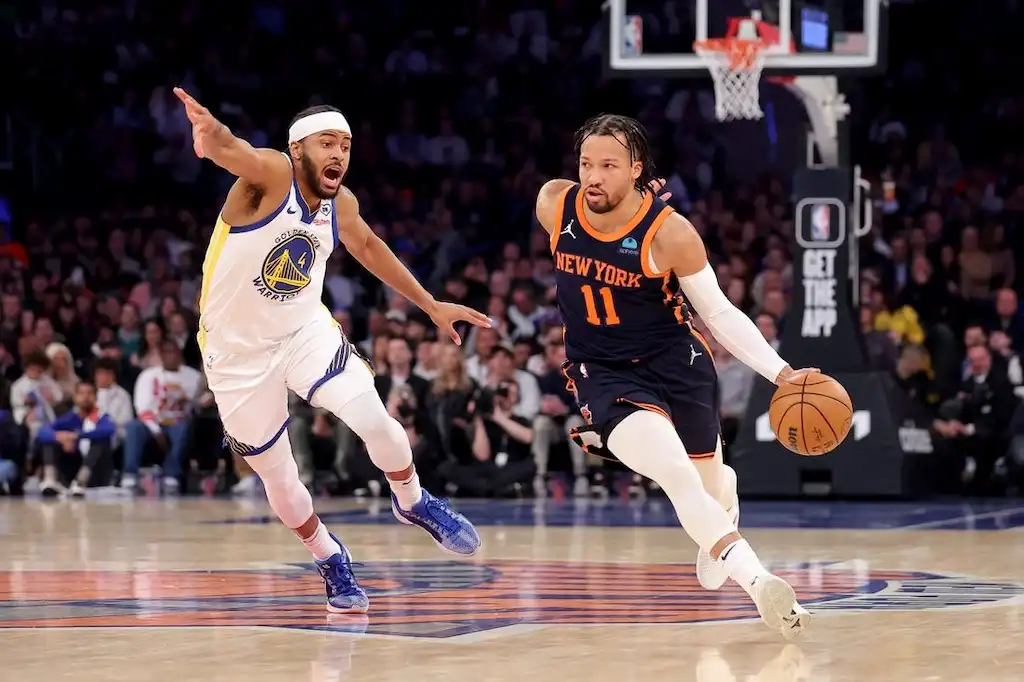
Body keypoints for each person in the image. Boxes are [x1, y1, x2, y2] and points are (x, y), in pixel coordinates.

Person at [174, 88, 489, 613]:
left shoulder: (340, 203)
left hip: (303, 331)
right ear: (299, 149)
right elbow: (238, 152)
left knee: (376, 419)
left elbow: (367, 246)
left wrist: (431, 304)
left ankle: (413, 502)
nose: (339, 154)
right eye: (327, 143)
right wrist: (213, 139)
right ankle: (328, 556)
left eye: (345, 144)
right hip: (237, 354)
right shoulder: (272, 175)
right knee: (280, 478)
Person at [535, 114, 815, 639]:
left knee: (708, 485)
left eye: (609, 166)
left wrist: (782, 373)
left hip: (678, 365)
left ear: (636, 170)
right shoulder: (555, 203)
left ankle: (723, 502)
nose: (593, 176)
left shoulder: (670, 233)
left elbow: (722, 313)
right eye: (586, 164)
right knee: (676, 477)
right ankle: (759, 582)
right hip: (604, 372)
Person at [123, 340, 203, 494]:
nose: (170, 356)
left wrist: (191, 401)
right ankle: (130, 474)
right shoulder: (148, 376)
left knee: (182, 428)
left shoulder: (193, 377)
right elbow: (142, 408)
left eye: (173, 352)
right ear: (161, 355)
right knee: (133, 427)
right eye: (166, 352)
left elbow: (200, 402)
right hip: (152, 423)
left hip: (179, 421)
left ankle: (171, 474)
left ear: (179, 354)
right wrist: (156, 431)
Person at [35, 380, 117, 497]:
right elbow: (42, 432)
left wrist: (76, 436)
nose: (85, 397)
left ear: (95, 397)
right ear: (75, 397)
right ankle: (50, 479)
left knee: (99, 441)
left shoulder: (102, 417)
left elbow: (108, 430)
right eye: (81, 393)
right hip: (73, 467)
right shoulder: (70, 418)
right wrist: (60, 437)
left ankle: (81, 481)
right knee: (50, 439)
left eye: (89, 393)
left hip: (96, 471)